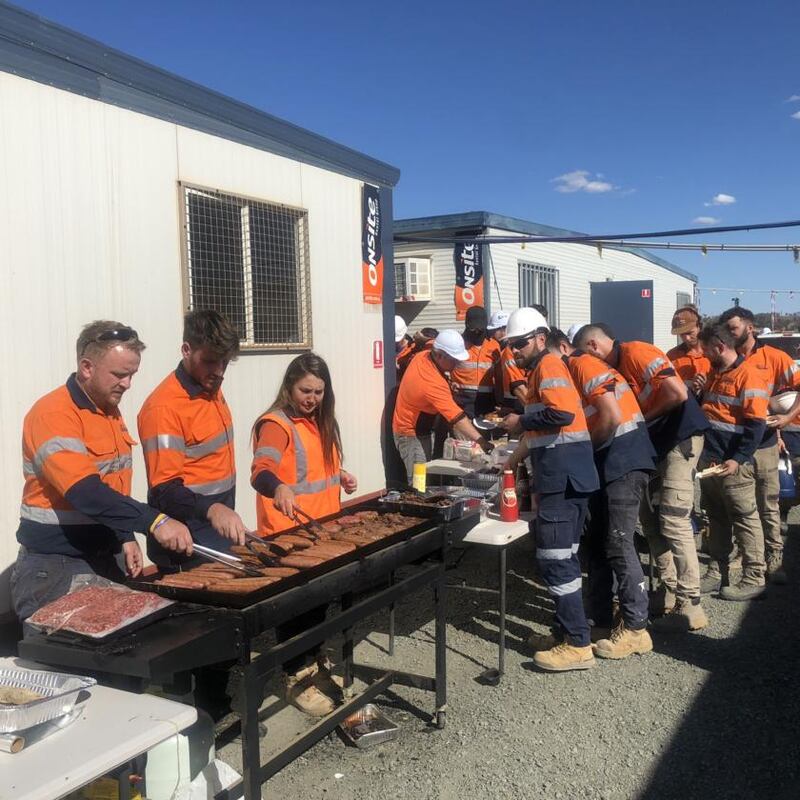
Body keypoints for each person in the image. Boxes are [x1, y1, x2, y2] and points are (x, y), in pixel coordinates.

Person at [10, 321, 193, 628]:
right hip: (55, 566)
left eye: (132, 374)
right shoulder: (54, 414)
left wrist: (123, 536)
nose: (127, 384)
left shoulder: (107, 411)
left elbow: (111, 485)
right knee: (69, 653)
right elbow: (84, 492)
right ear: (87, 367)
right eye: (120, 374)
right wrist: (155, 521)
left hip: (102, 556)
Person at [574, 324, 710, 626]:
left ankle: (691, 603)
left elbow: (677, 393)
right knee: (650, 522)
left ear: (593, 346)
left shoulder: (636, 352)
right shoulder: (615, 368)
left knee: (673, 519)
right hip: (654, 446)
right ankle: (669, 591)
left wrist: (641, 421)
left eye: (585, 355)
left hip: (679, 437)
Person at [251, 353, 356, 716]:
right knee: (295, 612)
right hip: (289, 534)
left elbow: (312, 468)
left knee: (317, 606)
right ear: (289, 387)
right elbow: (261, 469)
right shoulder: (276, 424)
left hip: (322, 531)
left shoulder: (319, 421)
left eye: (318, 391)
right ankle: (295, 676)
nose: (312, 398)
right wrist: (276, 486)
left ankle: (313, 663)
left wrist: (341, 474)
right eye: (305, 391)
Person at [546, 329, 658, 656]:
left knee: (618, 541)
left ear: (564, 348)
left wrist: (581, 451)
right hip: (608, 462)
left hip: (625, 459)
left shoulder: (582, 364)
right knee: (595, 542)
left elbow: (610, 416)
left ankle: (636, 627)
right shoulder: (571, 373)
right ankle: (599, 619)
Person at [501, 309, 599, 672]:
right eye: (511, 345)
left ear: (541, 338)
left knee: (554, 560)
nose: (515, 350)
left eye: (520, 343)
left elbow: (562, 414)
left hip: (563, 476)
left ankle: (577, 644)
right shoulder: (542, 369)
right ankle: (565, 632)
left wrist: (520, 420)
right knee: (565, 557)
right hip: (568, 476)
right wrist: (515, 457)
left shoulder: (548, 367)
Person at [137, 310, 246, 564]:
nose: (219, 371)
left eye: (225, 362)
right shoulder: (164, 408)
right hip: (185, 542)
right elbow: (164, 490)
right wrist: (212, 509)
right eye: (210, 361)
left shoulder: (210, 388)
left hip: (216, 529)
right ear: (186, 350)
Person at [719, 306, 800, 584]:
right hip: (733, 444)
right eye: (726, 330)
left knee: (768, 502)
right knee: (739, 504)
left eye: (733, 328)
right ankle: (744, 554)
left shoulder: (773, 357)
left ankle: (774, 556)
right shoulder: (725, 359)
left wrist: (787, 418)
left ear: (749, 327)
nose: (730, 334)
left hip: (764, 442)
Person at [697, 324, 769, 599]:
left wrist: (738, 459)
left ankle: (754, 577)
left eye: (706, 349)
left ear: (720, 347)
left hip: (733, 464)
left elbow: (756, 426)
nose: (703, 354)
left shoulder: (748, 376)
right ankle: (718, 572)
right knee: (716, 518)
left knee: (745, 519)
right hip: (712, 460)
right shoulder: (715, 373)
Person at [392, 330, 493, 483]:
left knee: (426, 475)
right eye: (454, 360)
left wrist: (448, 383)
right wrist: (481, 441)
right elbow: (457, 418)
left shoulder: (425, 354)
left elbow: (428, 341)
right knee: (420, 479)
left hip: (419, 429)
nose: (457, 364)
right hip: (410, 433)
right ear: (440, 355)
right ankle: (418, 498)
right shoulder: (431, 382)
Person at [450, 306, 501, 418]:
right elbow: (445, 369)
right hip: (461, 400)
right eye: (473, 329)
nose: (477, 332)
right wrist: (449, 383)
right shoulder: (458, 344)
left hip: (487, 401)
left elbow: (499, 376)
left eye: (480, 329)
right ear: (467, 325)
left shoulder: (494, 346)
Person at [488, 310, 528, 412]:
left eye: (494, 330)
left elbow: (518, 386)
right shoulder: (505, 351)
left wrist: (533, 410)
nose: (492, 335)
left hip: (518, 401)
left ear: (504, 329)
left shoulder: (510, 351)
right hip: (518, 400)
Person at [667, 306, 711, 396]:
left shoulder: (714, 353)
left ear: (699, 326)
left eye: (690, 333)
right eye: (682, 334)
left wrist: (707, 385)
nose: (686, 338)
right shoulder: (671, 356)